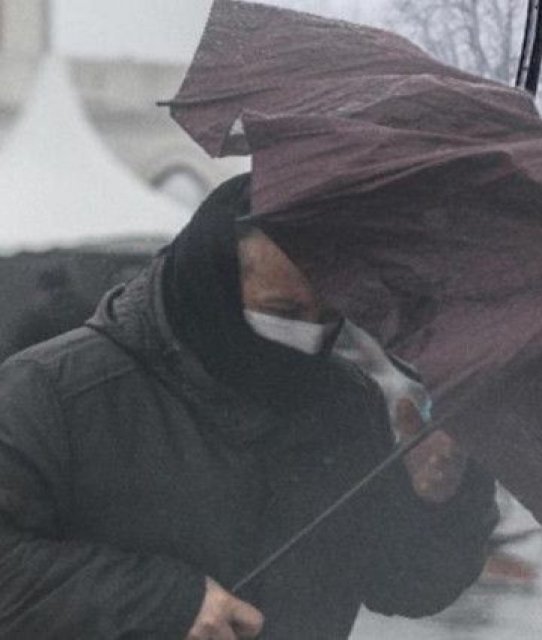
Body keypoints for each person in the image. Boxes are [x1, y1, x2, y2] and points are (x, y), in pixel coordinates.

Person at [0, 174, 498, 639]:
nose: (306, 335)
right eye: (282, 313)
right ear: (212, 282)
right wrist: (167, 605)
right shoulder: (54, 394)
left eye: (325, 315)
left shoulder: (345, 404)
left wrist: (439, 500)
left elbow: (406, 585)